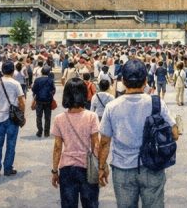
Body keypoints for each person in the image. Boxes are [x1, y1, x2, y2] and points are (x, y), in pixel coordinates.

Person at [98, 58, 179, 208]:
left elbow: (104, 142)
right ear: (145, 81)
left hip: (122, 169)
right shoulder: (156, 103)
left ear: (123, 81)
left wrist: (101, 167)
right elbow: (174, 133)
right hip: (152, 167)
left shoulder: (112, 106)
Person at [52, 77, 101, 208]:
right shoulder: (92, 116)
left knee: (68, 205)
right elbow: (96, 145)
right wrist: (101, 167)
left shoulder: (59, 119)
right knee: (90, 204)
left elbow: (57, 147)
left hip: (67, 169)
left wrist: (54, 171)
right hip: (88, 168)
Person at [0, 60, 25, 178]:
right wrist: (22, 115)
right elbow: (21, 101)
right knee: (11, 144)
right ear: (13, 71)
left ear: (2, 70)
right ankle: (8, 168)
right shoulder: (16, 84)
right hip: (12, 118)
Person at [32, 65, 56, 137]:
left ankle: (39, 131)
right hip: (48, 100)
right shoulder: (50, 80)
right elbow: (53, 90)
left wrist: (35, 95)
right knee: (47, 117)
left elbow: (34, 89)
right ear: (49, 72)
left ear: (42, 72)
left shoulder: (37, 80)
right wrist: (50, 95)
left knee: (39, 116)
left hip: (39, 100)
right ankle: (46, 132)